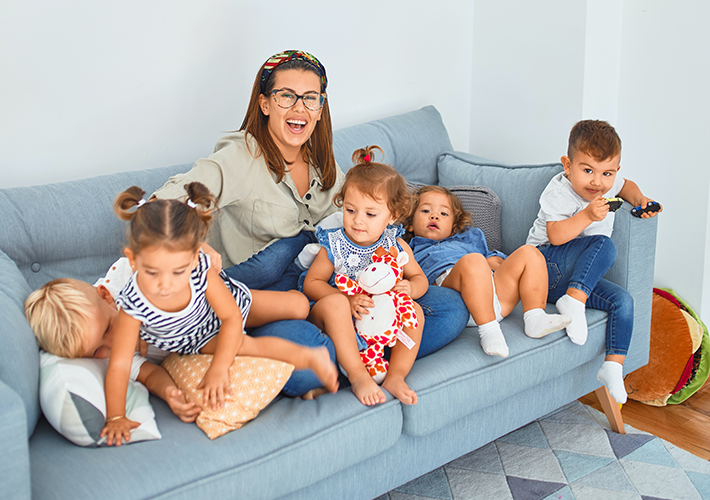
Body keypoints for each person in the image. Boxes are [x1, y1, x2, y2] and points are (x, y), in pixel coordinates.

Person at [152, 50, 469, 397]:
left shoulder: (322, 159)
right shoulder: (238, 156)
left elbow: (371, 210)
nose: (298, 108)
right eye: (286, 95)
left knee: (449, 308)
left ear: (320, 108)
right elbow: (161, 204)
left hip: (332, 284)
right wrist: (194, 243)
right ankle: (358, 360)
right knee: (306, 363)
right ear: (265, 103)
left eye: (310, 98)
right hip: (268, 294)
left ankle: (359, 358)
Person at [102, 182, 338, 446]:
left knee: (299, 307)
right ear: (132, 260)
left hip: (227, 310)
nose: (165, 285)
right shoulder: (132, 306)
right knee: (246, 345)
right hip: (197, 340)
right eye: (152, 272)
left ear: (193, 260)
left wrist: (220, 368)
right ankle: (309, 357)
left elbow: (231, 318)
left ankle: (301, 282)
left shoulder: (200, 271)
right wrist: (115, 416)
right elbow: (120, 365)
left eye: (177, 272)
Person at [526, 119, 662, 404]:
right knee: (603, 244)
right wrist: (587, 215)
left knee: (623, 301)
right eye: (587, 170)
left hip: (574, 278)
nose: (597, 182)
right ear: (567, 165)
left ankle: (612, 366)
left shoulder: (608, 186)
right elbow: (556, 235)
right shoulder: (559, 191)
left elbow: (628, 187)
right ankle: (573, 301)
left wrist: (640, 200)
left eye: (606, 173)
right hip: (542, 269)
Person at [303, 146, 426, 406]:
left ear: (392, 216)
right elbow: (311, 284)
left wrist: (410, 289)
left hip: (377, 321)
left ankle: (396, 375)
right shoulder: (335, 244)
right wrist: (345, 299)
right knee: (335, 304)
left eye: (370, 214)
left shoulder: (396, 246)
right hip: (336, 316)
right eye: (350, 210)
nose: (358, 221)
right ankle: (358, 376)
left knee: (415, 310)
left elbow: (419, 278)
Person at [403, 186, 571, 358]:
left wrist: (496, 263)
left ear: (454, 225)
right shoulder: (408, 249)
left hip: (495, 296)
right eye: (425, 210)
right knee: (473, 261)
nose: (434, 216)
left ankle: (535, 318)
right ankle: (489, 331)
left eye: (444, 214)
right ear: (409, 224)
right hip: (457, 300)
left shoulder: (470, 238)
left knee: (529, 252)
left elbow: (493, 258)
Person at [24, 275, 202, 424]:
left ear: (105, 296)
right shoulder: (108, 359)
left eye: (108, 328)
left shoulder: (130, 281)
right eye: (96, 351)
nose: (112, 344)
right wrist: (169, 393)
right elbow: (149, 374)